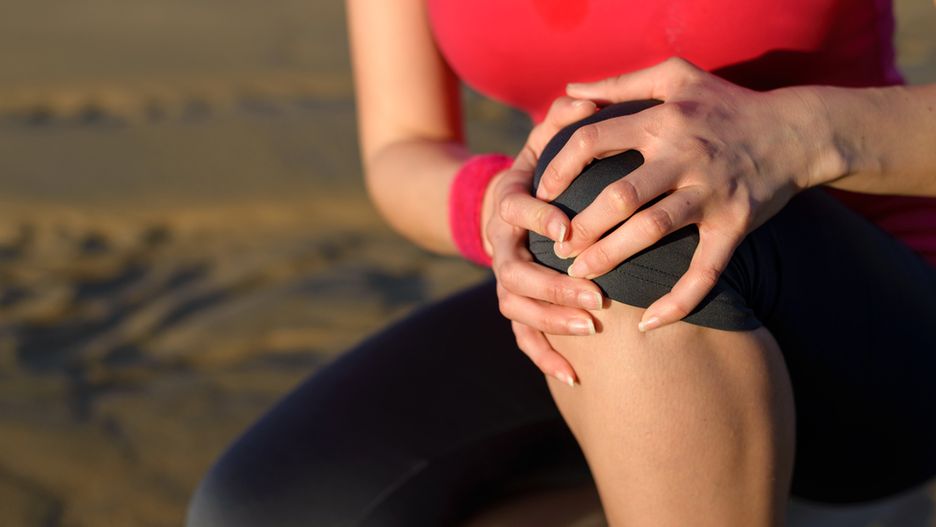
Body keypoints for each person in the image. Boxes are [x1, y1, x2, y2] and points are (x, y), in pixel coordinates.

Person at [186, 0, 936, 525]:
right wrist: (497, 207)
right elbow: (401, 146)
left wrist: (799, 134)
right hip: (598, 289)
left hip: (886, 340)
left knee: (620, 197)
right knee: (267, 508)